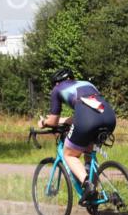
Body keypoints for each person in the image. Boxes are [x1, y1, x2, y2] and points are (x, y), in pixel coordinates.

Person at [39, 68, 117, 205]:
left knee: (69, 154)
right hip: (109, 118)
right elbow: (90, 108)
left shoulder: (57, 89)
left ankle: (88, 185)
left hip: (87, 120)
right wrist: (64, 120)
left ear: (57, 83)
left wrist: (44, 123)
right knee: (89, 152)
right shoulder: (87, 84)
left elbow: (52, 122)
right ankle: (94, 194)